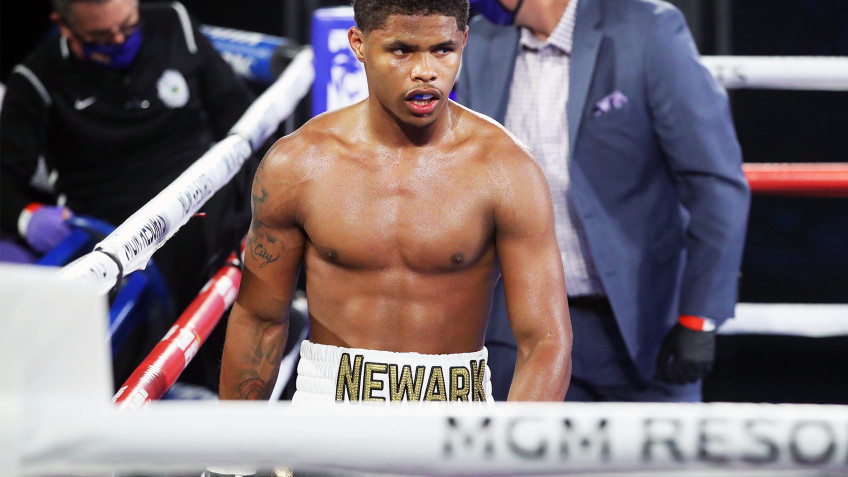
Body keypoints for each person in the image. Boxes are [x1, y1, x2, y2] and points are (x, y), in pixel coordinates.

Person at [219, 0, 572, 403]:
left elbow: (545, 341)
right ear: (359, 43)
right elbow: (260, 319)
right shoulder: (298, 164)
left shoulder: (506, 168)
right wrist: (234, 444)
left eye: (443, 49)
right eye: (402, 50)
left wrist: (512, 442)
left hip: (454, 410)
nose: (425, 71)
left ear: (464, 41)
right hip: (329, 404)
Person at [456, 0, 750, 402]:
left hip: (643, 326)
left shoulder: (647, 31)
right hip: (523, 328)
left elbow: (714, 183)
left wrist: (699, 316)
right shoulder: (480, 44)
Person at [0, 0, 256, 390]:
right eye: (101, 37)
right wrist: (28, 217)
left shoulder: (173, 23)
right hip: (111, 226)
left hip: (202, 200)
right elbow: (3, 177)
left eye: (127, 27)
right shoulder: (37, 79)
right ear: (64, 27)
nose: (119, 41)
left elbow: (240, 115)